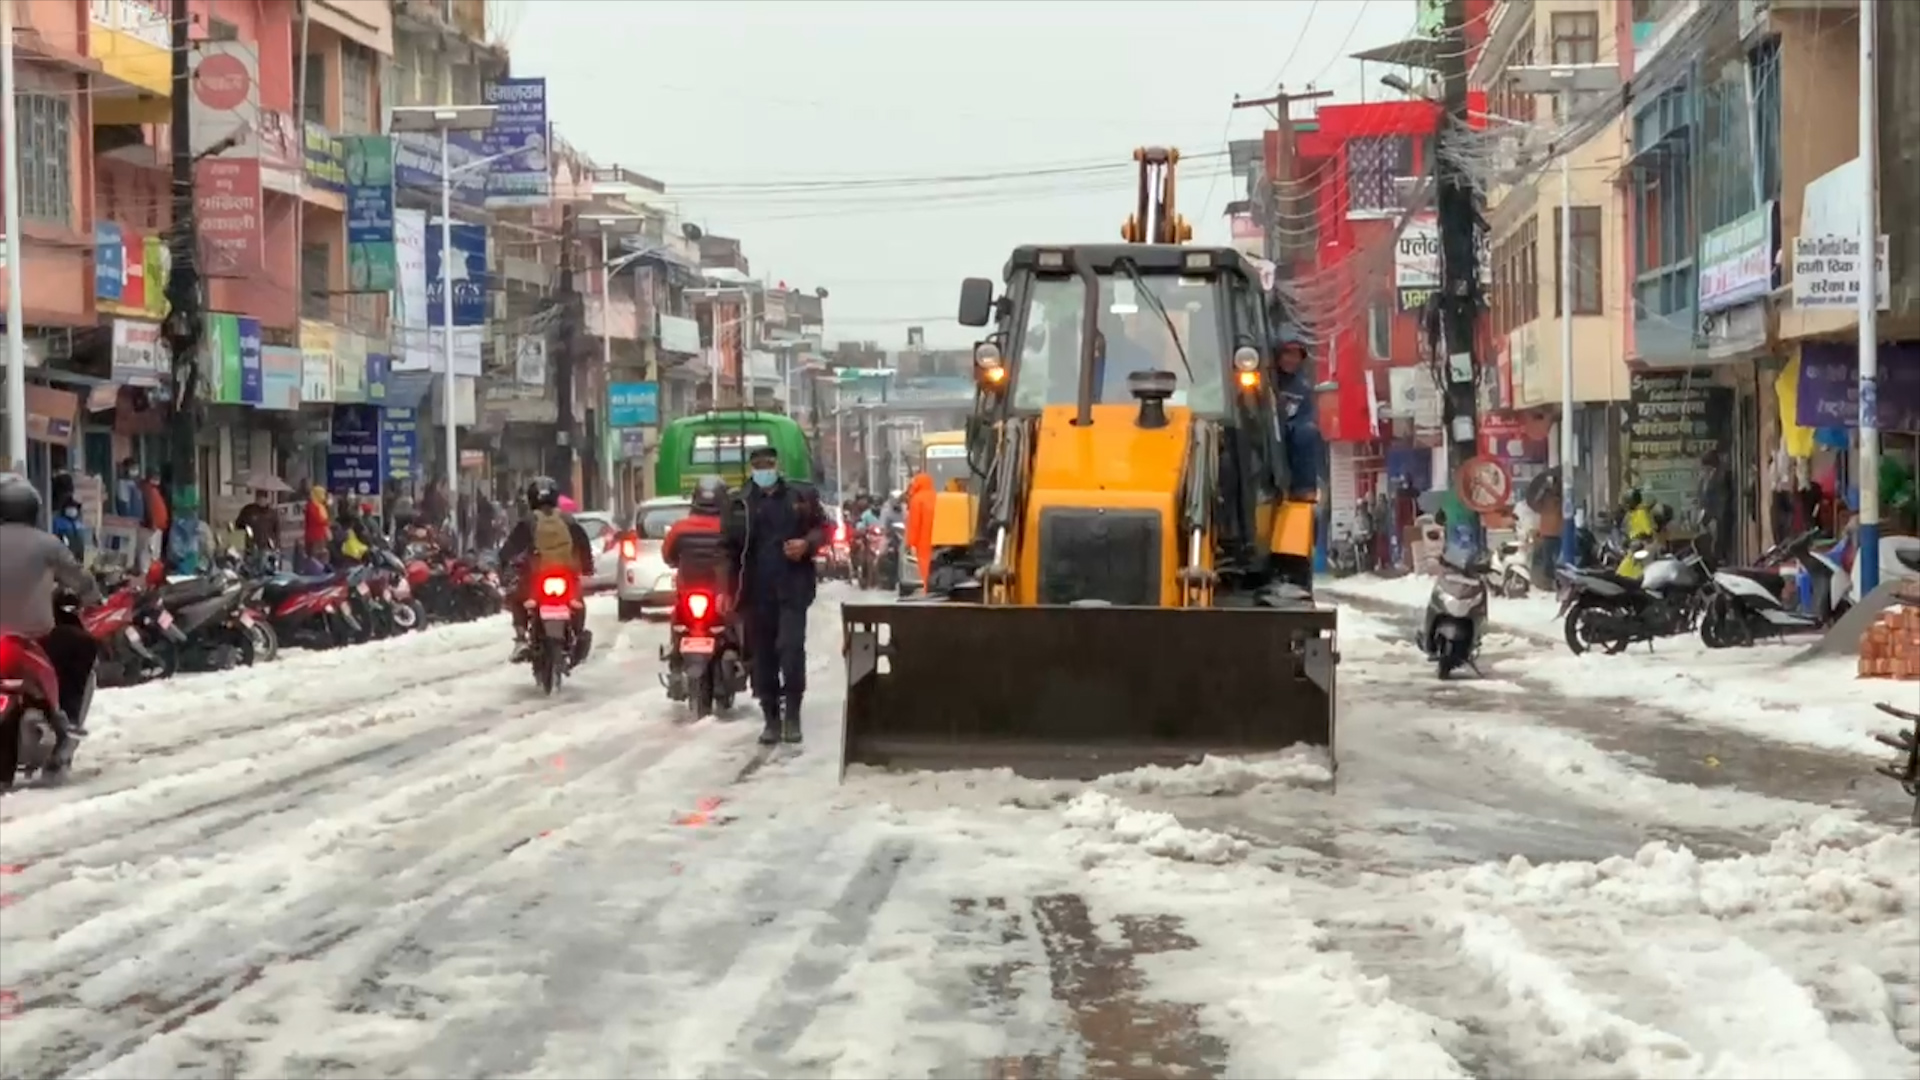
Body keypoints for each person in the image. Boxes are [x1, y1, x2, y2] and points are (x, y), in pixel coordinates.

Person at [724, 444, 828, 745]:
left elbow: (824, 528)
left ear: (777, 465)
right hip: (756, 593)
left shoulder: (800, 497)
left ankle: (792, 715)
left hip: (793, 589)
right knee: (763, 657)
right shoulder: (739, 503)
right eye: (758, 465)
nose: (763, 470)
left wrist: (806, 545)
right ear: (751, 469)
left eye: (768, 464)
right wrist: (726, 590)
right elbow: (727, 550)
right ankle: (771, 718)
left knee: (791, 649)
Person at [0, 472, 104, 737]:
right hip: (36, 638)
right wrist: (92, 599)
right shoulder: (47, 544)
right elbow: (81, 580)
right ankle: (67, 715)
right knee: (83, 645)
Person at [497, 477, 596, 663]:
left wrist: (504, 566)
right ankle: (578, 632)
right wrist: (587, 567)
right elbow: (583, 545)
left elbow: (509, 549)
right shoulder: (568, 520)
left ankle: (520, 639)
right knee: (577, 601)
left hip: (536, 578)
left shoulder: (528, 521)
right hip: (566, 576)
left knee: (518, 600)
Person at [1271, 326, 1324, 591]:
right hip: (1262, 445)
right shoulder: (1265, 380)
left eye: (1296, 355)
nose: (1291, 360)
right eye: (1287, 354)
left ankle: (1301, 489)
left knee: (1307, 433)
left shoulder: (1301, 390)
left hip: (1287, 448)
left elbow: (1304, 421)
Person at [904, 470, 937, 587]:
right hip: (938, 540)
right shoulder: (937, 497)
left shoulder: (917, 500)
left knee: (924, 566)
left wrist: (909, 543)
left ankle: (926, 587)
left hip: (923, 541)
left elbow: (914, 524)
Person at [234, 489, 280, 554]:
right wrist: (246, 528)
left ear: (267, 500)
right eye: (259, 497)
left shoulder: (272, 513)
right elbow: (238, 524)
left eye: (263, 498)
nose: (261, 500)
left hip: (267, 546)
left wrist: (277, 546)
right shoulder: (248, 510)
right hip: (252, 545)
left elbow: (277, 531)